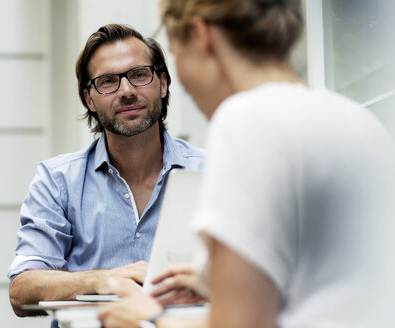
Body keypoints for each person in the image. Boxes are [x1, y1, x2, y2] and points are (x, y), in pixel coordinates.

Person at [98, 0, 395, 327]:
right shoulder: (360, 122)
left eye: (175, 52)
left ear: (199, 35)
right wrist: (221, 287)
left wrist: (149, 320)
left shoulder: (246, 120)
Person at [7, 23, 205, 321]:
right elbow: (21, 291)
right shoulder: (58, 180)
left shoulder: (210, 173)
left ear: (162, 84)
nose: (126, 91)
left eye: (139, 75)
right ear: (89, 99)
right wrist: (105, 280)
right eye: (108, 81)